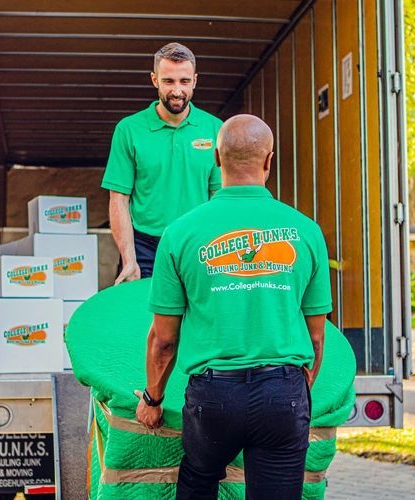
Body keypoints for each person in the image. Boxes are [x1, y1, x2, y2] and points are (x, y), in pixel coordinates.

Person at [134, 115, 331, 499]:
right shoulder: (306, 230)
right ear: (270, 161)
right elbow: (317, 336)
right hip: (283, 392)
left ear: (217, 161)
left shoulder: (180, 233)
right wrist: (292, 392)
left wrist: (153, 399)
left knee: (198, 481)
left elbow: (163, 339)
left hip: (213, 399)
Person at [102, 42, 223, 284]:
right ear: (154, 80)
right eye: (168, 81)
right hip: (145, 249)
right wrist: (129, 260)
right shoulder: (129, 130)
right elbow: (119, 198)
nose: (177, 90)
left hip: (198, 246)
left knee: (196, 320)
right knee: (143, 320)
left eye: (184, 81)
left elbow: (219, 197)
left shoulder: (215, 128)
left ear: (195, 81)